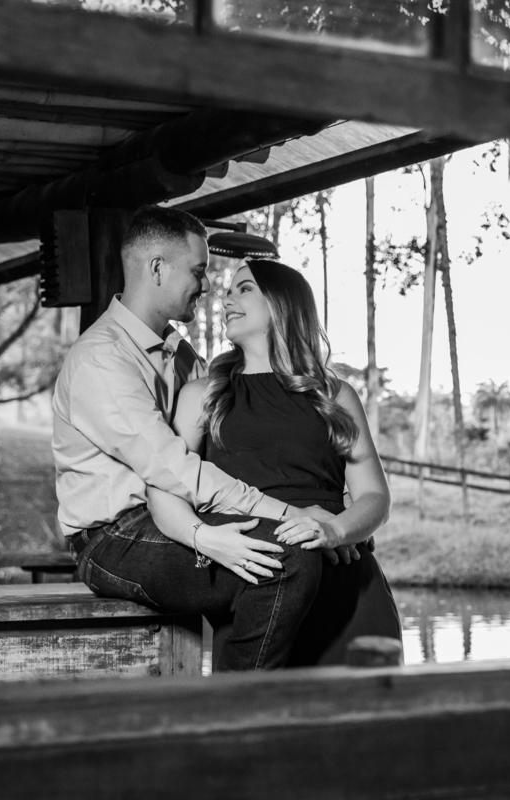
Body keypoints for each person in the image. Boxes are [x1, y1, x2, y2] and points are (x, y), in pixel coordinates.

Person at [52, 206, 327, 672]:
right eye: (198, 271)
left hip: (173, 517)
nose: (206, 286)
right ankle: (236, 709)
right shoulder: (101, 359)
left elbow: (221, 448)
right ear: (158, 268)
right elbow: (174, 468)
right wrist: (290, 516)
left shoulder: (182, 356)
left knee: (299, 546)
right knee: (290, 558)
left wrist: (331, 521)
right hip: (113, 539)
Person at [148, 259, 401, 666]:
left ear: (282, 303)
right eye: (228, 291)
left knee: (368, 706)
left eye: (244, 288)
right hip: (261, 580)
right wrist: (204, 538)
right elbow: (164, 489)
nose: (226, 299)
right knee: (255, 701)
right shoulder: (203, 395)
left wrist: (335, 530)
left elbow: (375, 497)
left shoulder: (334, 395)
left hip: (345, 583)